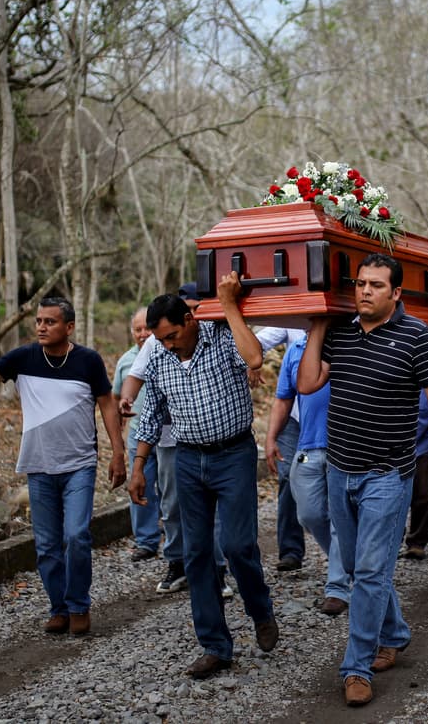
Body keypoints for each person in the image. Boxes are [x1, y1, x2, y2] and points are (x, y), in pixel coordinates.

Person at [297, 252, 428, 708]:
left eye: (376, 285)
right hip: (339, 470)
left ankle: (355, 667)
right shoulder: (340, 333)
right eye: (360, 283)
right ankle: (395, 632)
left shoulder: (418, 339)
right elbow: (306, 385)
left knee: (366, 571)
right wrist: (319, 324)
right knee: (370, 570)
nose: (364, 290)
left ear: (397, 292)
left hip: (388, 475)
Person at [0, 297, 126, 636]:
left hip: (80, 465)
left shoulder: (87, 361)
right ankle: (58, 608)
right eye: (39, 321)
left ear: (69, 327)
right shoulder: (23, 358)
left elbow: (107, 404)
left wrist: (118, 453)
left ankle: (78, 606)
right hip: (39, 466)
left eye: (50, 321)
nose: (42, 327)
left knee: (76, 536)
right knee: (46, 545)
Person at [126, 275, 277, 680]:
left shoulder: (222, 335)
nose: (169, 344)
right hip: (189, 460)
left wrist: (229, 305)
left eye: (173, 335)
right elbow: (152, 413)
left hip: (233, 454)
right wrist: (138, 466)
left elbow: (255, 359)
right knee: (196, 554)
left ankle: (260, 610)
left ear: (190, 320)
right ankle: (215, 645)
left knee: (237, 544)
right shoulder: (159, 355)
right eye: (162, 339)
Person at [118, 283, 224, 596]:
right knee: (173, 504)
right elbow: (135, 378)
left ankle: (217, 569)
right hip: (169, 438)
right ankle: (177, 561)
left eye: (196, 308)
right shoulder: (159, 344)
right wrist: (127, 399)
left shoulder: (214, 334)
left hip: (211, 437)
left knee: (211, 504)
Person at [265, 333, 351, 615]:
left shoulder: (349, 339)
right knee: (309, 514)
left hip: (345, 446)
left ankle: (337, 586)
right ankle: (349, 563)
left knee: (341, 517)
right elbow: (283, 399)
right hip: (309, 445)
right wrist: (271, 438)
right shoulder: (296, 349)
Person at [256, 326, 308, 573]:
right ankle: (290, 550)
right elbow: (258, 342)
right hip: (293, 414)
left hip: (328, 415)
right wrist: (252, 363)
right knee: (287, 476)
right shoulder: (291, 319)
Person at [114, 307, 161, 561]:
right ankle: (146, 540)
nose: (143, 334)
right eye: (137, 329)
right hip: (136, 433)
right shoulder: (125, 360)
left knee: (169, 487)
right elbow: (115, 396)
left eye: (147, 328)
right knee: (140, 485)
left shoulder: (167, 350)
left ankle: (178, 537)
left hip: (168, 432)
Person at [403, 390, 428, 561]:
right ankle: (392, 538)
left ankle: (417, 542)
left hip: (422, 446)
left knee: (422, 495)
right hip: (394, 446)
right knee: (391, 496)